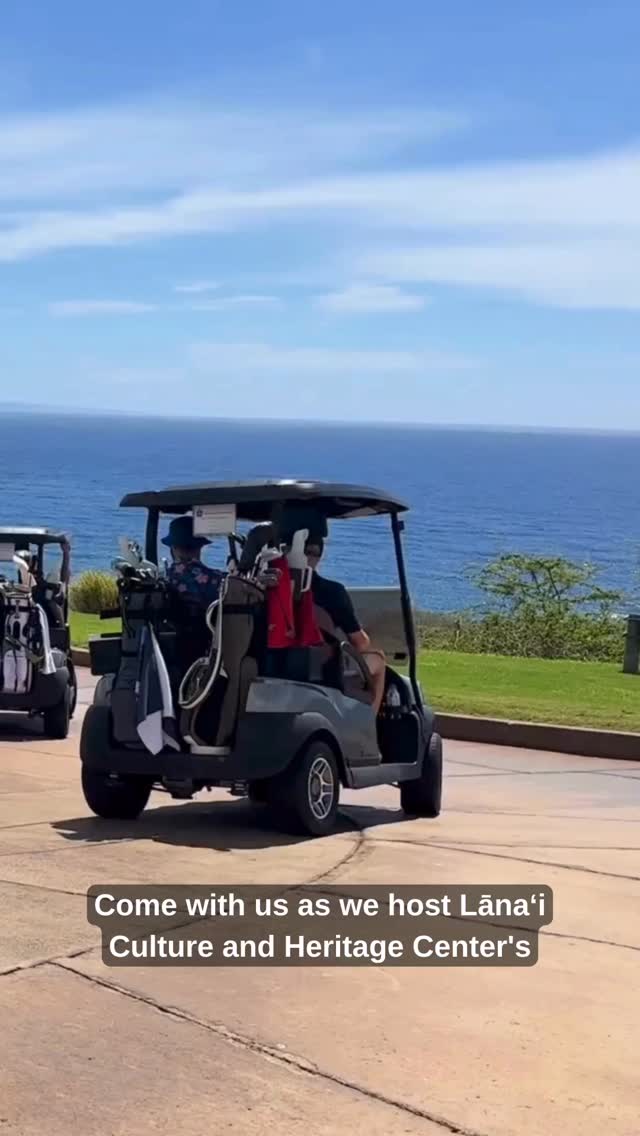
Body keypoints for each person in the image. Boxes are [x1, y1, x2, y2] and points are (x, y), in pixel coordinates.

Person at [304, 537, 386, 714]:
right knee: (378, 659)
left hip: (275, 662)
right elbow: (360, 643)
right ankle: (368, 727)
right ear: (319, 556)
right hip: (323, 667)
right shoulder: (332, 592)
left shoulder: (268, 586)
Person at [161, 516, 224, 609]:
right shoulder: (217, 579)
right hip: (205, 623)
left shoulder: (164, 579)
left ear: (172, 547)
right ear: (200, 546)